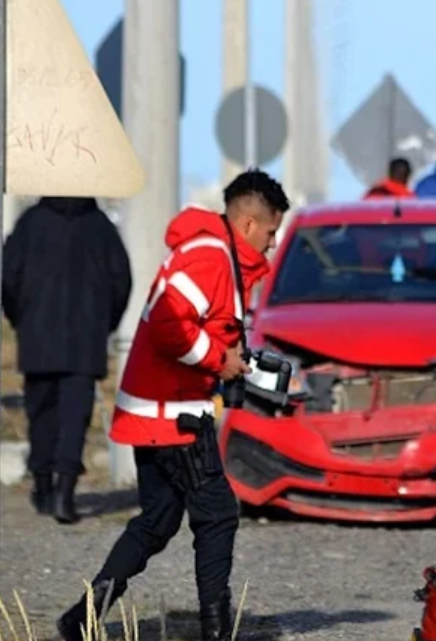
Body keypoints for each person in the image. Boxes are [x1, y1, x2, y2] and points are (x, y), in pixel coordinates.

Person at [55, 170, 289, 641]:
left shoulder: (212, 255)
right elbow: (167, 324)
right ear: (247, 223)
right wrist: (214, 358)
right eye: (271, 231)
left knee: (157, 522)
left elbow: (186, 326)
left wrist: (228, 360)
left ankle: (80, 619)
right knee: (218, 514)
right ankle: (215, 631)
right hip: (171, 414)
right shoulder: (210, 257)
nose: (273, 242)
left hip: (154, 412)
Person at [1, 196, 132, 524]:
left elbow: (8, 278)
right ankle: (65, 495)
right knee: (74, 418)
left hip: (38, 337)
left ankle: (43, 488)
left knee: (41, 414)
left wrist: (22, 320)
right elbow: (122, 282)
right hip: (84, 343)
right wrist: (105, 324)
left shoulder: (31, 222)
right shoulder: (101, 226)